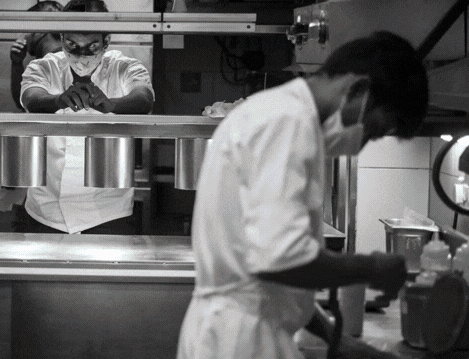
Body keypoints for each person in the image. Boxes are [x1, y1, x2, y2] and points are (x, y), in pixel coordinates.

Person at [176, 31, 428, 359]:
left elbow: (275, 281)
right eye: (374, 130)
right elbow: (282, 259)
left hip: (241, 333)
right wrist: (371, 267)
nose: (362, 144)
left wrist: (337, 341)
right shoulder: (287, 123)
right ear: (358, 90)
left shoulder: (284, 116)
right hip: (243, 342)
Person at [16, 0, 154, 234]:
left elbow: (144, 98)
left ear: (106, 41)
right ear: (61, 39)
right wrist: (58, 100)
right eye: (72, 45)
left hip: (107, 213)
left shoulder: (125, 67)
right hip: (46, 210)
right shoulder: (44, 68)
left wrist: (112, 105)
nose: (81, 54)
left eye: (91, 46)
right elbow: (30, 97)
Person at [9, 0, 63, 111]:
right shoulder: (49, 62)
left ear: (40, 31)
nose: (23, 36)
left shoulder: (47, 64)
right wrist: (17, 64)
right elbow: (23, 102)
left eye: (26, 29)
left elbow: (27, 104)